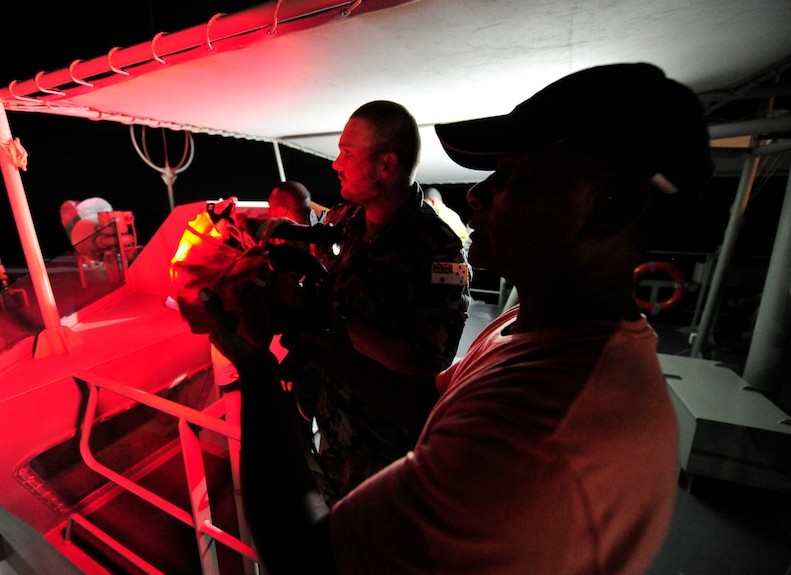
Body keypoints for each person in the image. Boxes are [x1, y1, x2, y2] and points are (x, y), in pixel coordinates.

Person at [202, 62, 714, 575]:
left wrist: (256, 368)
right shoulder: (528, 328)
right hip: (341, 430)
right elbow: (428, 401)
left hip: (376, 449)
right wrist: (323, 340)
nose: (475, 193)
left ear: (613, 208)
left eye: (512, 174)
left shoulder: (538, 430)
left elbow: (304, 557)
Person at [283, 100, 471, 502]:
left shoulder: (439, 252)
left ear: (386, 165)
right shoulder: (348, 220)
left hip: (384, 451)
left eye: (347, 154)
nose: (336, 164)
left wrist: (334, 317)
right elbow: (324, 258)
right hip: (332, 424)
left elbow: (428, 362)